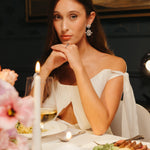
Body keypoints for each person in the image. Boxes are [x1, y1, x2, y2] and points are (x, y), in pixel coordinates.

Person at [39, 0, 138, 136]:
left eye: (73, 16)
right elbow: (25, 119)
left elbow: (99, 127)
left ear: (89, 19)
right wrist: (45, 69)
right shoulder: (52, 63)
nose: (64, 27)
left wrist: (79, 68)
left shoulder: (114, 65)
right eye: (58, 17)